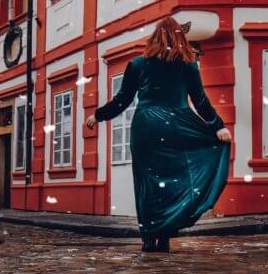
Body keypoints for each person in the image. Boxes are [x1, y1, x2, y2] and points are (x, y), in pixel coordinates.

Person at [86, 15, 232, 253]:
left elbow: (122, 100)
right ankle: (164, 234)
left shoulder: (138, 64)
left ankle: (148, 235)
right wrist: (218, 126)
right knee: (172, 181)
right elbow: (200, 100)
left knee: (146, 182)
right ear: (179, 37)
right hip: (176, 124)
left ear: (154, 38)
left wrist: (99, 115)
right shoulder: (188, 64)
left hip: (146, 126)